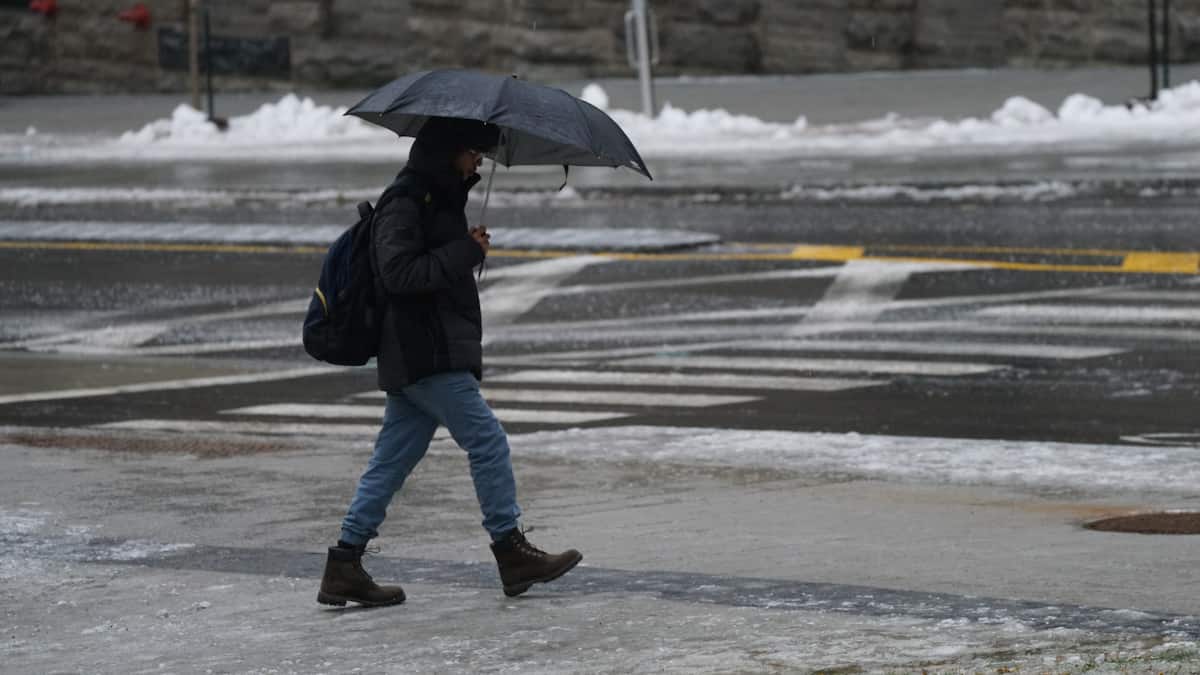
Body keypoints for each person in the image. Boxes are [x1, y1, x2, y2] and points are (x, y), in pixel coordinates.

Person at [316, 117, 582, 607]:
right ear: (447, 150)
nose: (479, 159)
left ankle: (344, 564)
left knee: (391, 462)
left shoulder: (436, 197)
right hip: (425, 352)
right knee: (487, 442)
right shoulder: (406, 200)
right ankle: (510, 550)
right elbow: (398, 274)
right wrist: (462, 252)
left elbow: (427, 266)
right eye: (472, 150)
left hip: (422, 351)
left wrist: (465, 249)